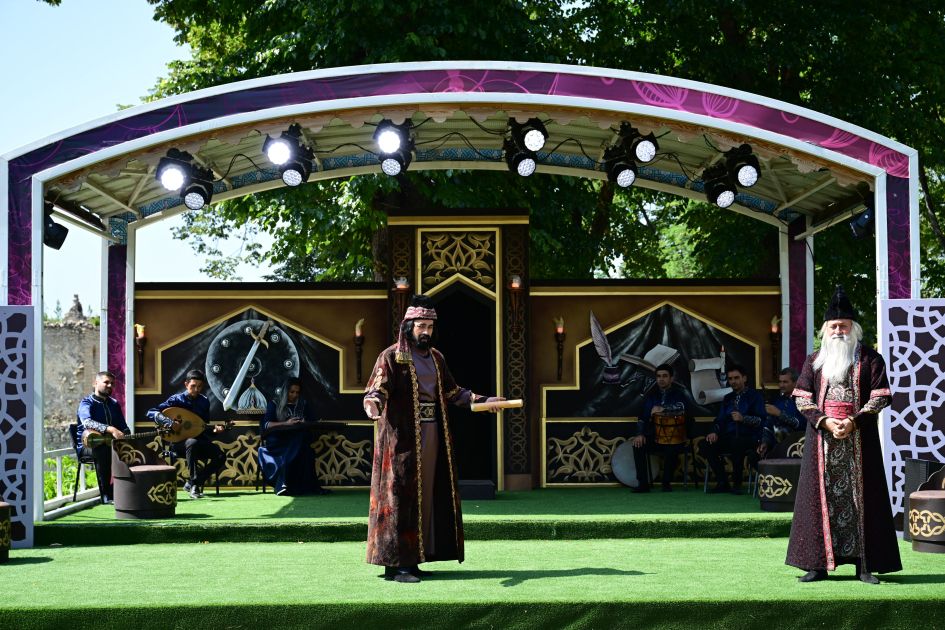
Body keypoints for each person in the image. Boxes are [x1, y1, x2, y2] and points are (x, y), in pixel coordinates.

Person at [363, 295, 504, 583]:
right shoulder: (392, 356)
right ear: (409, 326)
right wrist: (372, 403)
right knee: (399, 496)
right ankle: (398, 564)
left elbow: (453, 392)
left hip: (432, 436)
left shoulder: (437, 358)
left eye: (429, 326)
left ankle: (415, 559)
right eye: (421, 326)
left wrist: (484, 401)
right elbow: (377, 388)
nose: (425, 331)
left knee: (425, 496)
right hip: (401, 441)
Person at [786, 285, 901, 584]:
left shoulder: (872, 359)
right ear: (825, 330)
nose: (839, 331)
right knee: (818, 502)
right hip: (821, 441)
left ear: (854, 329)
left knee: (864, 500)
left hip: (859, 440)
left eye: (844, 326)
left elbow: (880, 396)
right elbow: (802, 398)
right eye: (834, 326)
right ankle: (817, 565)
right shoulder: (813, 361)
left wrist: (853, 421)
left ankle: (865, 566)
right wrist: (825, 421)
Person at [147, 369, 226, 499]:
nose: (196, 389)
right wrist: (169, 422)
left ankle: (193, 482)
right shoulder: (176, 399)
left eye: (199, 386)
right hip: (179, 444)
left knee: (220, 456)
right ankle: (195, 485)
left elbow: (202, 428)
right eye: (193, 386)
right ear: (186, 384)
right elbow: (151, 412)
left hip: (199, 442)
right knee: (191, 442)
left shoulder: (204, 401)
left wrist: (215, 431)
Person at [699, 364, 766, 494]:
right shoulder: (728, 398)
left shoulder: (755, 396)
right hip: (729, 437)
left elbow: (761, 420)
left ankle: (737, 483)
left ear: (744, 378)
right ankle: (722, 482)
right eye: (730, 379)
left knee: (737, 442)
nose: (733, 381)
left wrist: (743, 418)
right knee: (706, 444)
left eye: (736, 378)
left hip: (749, 437)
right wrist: (714, 432)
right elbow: (720, 420)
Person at [258, 377, 329, 496]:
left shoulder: (303, 404)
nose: (295, 395)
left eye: (297, 392)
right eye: (292, 392)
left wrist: (305, 421)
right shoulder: (274, 404)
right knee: (303, 445)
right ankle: (285, 483)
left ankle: (295, 486)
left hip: (297, 439)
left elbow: (312, 421)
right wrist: (286, 423)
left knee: (305, 447)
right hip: (278, 441)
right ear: (285, 391)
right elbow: (266, 424)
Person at [631, 363, 690, 492]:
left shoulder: (678, 394)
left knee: (671, 446)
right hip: (654, 437)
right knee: (638, 445)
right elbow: (642, 418)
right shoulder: (651, 396)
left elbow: (682, 408)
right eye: (658, 376)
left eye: (664, 376)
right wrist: (640, 434)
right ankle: (643, 484)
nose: (661, 379)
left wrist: (663, 408)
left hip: (675, 437)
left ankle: (666, 483)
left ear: (671, 378)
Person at [75, 370, 130, 504]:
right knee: (102, 449)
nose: (110, 385)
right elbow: (87, 422)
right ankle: (105, 494)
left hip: (111, 443)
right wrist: (110, 428)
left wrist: (126, 436)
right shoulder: (86, 402)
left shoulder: (114, 404)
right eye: (106, 382)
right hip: (89, 445)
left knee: (130, 450)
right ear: (95, 383)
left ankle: (123, 490)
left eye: (112, 383)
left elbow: (123, 427)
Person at [755, 367, 805, 460]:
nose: (781, 385)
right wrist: (765, 442)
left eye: (785, 382)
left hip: (797, 447)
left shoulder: (803, 401)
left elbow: (800, 424)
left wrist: (779, 414)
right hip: (777, 447)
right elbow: (769, 426)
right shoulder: (777, 401)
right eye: (780, 382)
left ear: (796, 383)